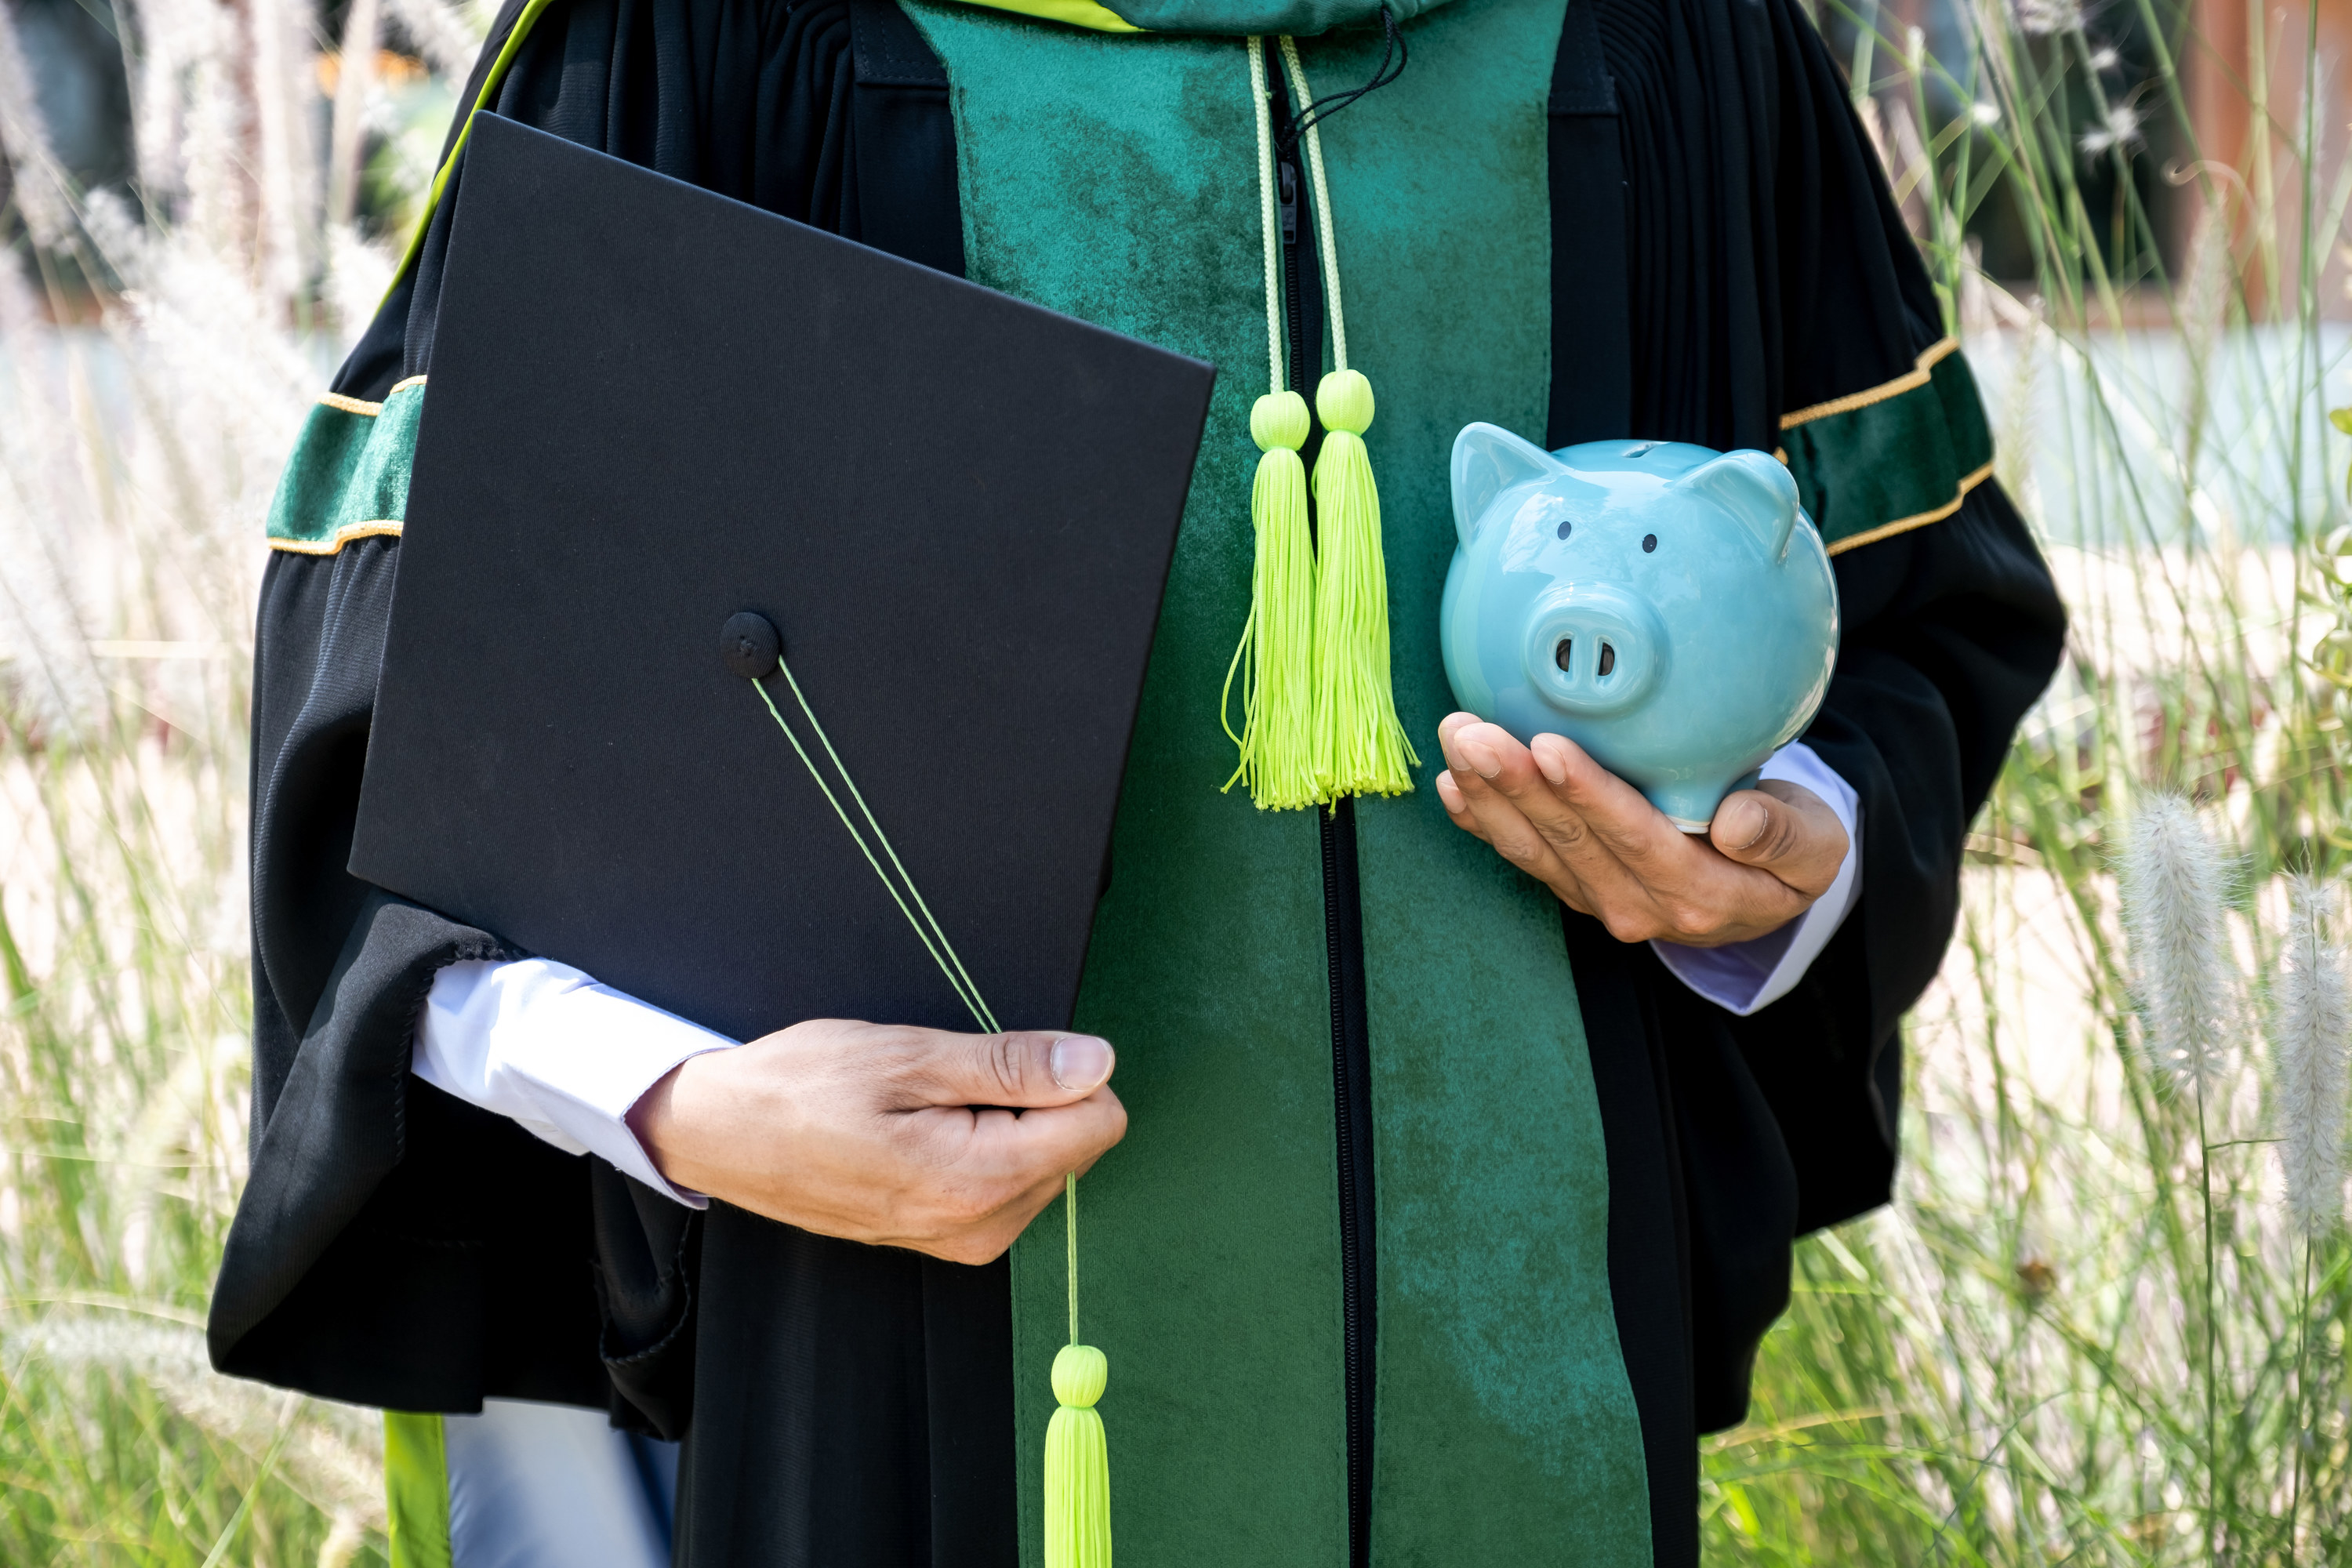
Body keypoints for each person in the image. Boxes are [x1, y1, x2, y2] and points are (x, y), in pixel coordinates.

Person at [208, 0, 2067, 1562]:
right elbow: (408, 764)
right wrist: (683, 1101)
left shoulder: (1659, 36)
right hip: (908, 1390)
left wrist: (1791, 849)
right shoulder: (704, 31)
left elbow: (1914, 613)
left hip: (1541, 1381)